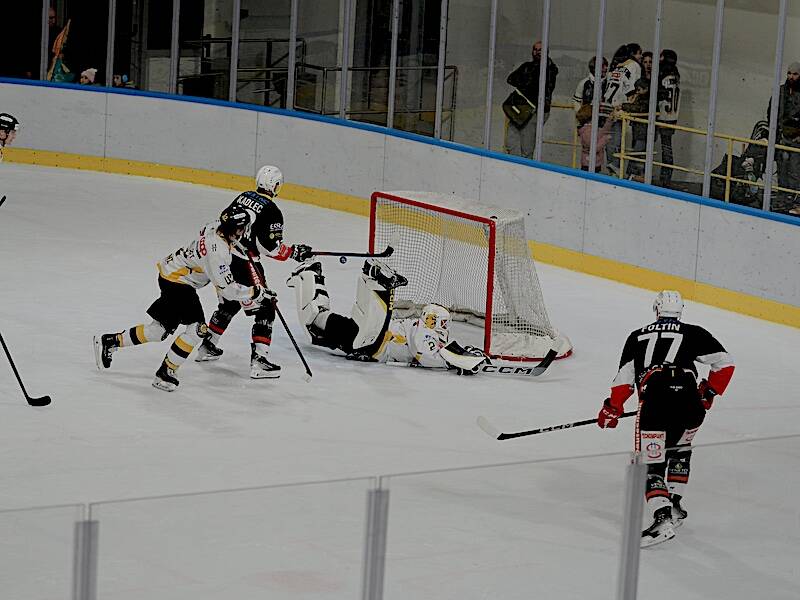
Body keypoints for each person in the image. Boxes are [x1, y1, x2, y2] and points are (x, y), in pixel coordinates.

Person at [597, 291, 735, 547]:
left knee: (651, 463)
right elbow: (725, 364)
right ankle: (674, 507)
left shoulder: (636, 336)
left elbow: (625, 379)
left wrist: (611, 408)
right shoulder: (693, 332)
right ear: (681, 311)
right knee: (681, 451)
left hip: (656, 403)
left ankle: (662, 520)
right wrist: (709, 392)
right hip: (691, 405)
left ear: (656, 310)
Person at [93, 205, 275, 391]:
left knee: (158, 331)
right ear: (234, 230)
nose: (245, 231)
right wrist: (255, 292)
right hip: (179, 283)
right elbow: (228, 290)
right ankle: (166, 372)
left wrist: (236, 242)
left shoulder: (214, 227)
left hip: (171, 273)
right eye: (242, 228)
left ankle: (110, 341)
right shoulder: (217, 253)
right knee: (198, 329)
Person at [193, 165, 313, 378]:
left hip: (226, 254)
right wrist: (295, 252)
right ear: (275, 186)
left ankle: (207, 346)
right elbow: (271, 248)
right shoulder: (272, 211)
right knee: (266, 305)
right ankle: (259, 361)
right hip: (245, 263)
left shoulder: (243, 196)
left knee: (230, 302)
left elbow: (225, 220)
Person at [286, 259, 490, 375]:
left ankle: (313, 276)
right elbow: (424, 354)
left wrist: (463, 354)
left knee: (317, 321)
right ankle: (376, 281)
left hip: (365, 342)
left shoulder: (428, 334)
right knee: (319, 321)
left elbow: (433, 352)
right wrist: (456, 362)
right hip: (372, 342)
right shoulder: (425, 335)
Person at [503, 40, 559, 160]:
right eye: (536, 49)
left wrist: (526, 84)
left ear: (547, 52)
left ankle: (523, 169)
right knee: (511, 141)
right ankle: (514, 166)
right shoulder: (527, 66)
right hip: (520, 108)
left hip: (535, 110)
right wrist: (527, 83)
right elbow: (511, 79)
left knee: (527, 147)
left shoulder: (550, 69)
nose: (538, 52)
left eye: (541, 50)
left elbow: (543, 88)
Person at [602, 43, 643, 174]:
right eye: (639, 53)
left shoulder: (615, 67)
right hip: (619, 107)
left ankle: (612, 169)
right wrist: (630, 104)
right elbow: (633, 88)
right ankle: (615, 170)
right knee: (617, 140)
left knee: (609, 140)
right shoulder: (634, 66)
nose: (640, 56)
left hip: (607, 106)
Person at [768, 62, 800, 200]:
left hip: (796, 139)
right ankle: (783, 197)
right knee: (781, 168)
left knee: (795, 170)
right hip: (781, 137)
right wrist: (774, 131)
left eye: (795, 74)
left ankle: (794, 198)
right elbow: (771, 112)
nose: (791, 77)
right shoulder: (781, 91)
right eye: (789, 73)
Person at [655, 49, 681, 187]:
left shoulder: (663, 76)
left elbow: (660, 94)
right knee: (667, 148)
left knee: (664, 149)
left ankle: (664, 179)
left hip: (662, 115)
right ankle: (666, 178)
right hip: (672, 116)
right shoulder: (676, 75)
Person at [621, 77, 650, 180]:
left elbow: (639, 109)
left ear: (645, 88)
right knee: (638, 153)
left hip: (643, 130)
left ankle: (631, 174)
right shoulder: (643, 97)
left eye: (639, 89)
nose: (637, 92)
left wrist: (623, 106)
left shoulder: (646, 99)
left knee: (637, 153)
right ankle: (635, 175)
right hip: (639, 129)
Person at [576, 104, 616, 173]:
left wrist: (609, 120)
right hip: (589, 163)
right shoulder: (587, 131)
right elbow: (594, 148)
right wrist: (605, 139)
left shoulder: (590, 128)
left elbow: (601, 133)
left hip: (594, 162)